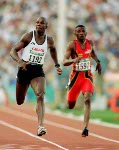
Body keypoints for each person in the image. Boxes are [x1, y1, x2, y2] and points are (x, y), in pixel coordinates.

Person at [10, 17, 62, 136]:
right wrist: (20, 61)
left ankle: (40, 126)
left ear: (46, 26)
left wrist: (57, 64)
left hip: (37, 70)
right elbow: (13, 50)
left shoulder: (49, 40)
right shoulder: (28, 36)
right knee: (19, 101)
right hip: (24, 69)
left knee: (40, 95)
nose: (38, 25)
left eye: (41, 23)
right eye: (37, 23)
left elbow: (53, 50)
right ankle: (24, 92)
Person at [63, 25, 101, 137]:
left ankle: (85, 127)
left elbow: (92, 53)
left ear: (86, 33)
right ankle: (68, 91)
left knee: (87, 99)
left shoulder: (90, 43)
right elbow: (64, 61)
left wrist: (98, 61)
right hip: (75, 79)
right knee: (70, 105)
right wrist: (74, 60)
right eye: (78, 31)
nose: (81, 33)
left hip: (87, 77)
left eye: (83, 31)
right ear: (75, 34)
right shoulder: (72, 45)